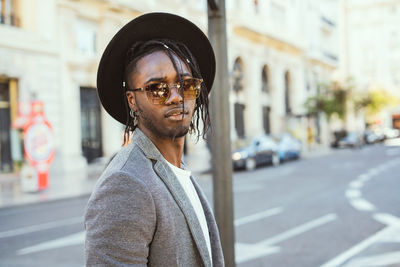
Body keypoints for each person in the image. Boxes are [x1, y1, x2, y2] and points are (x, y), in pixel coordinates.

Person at [84, 12, 224, 267]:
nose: (175, 96)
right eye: (157, 88)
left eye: (186, 85)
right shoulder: (125, 183)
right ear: (132, 100)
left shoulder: (178, 170)